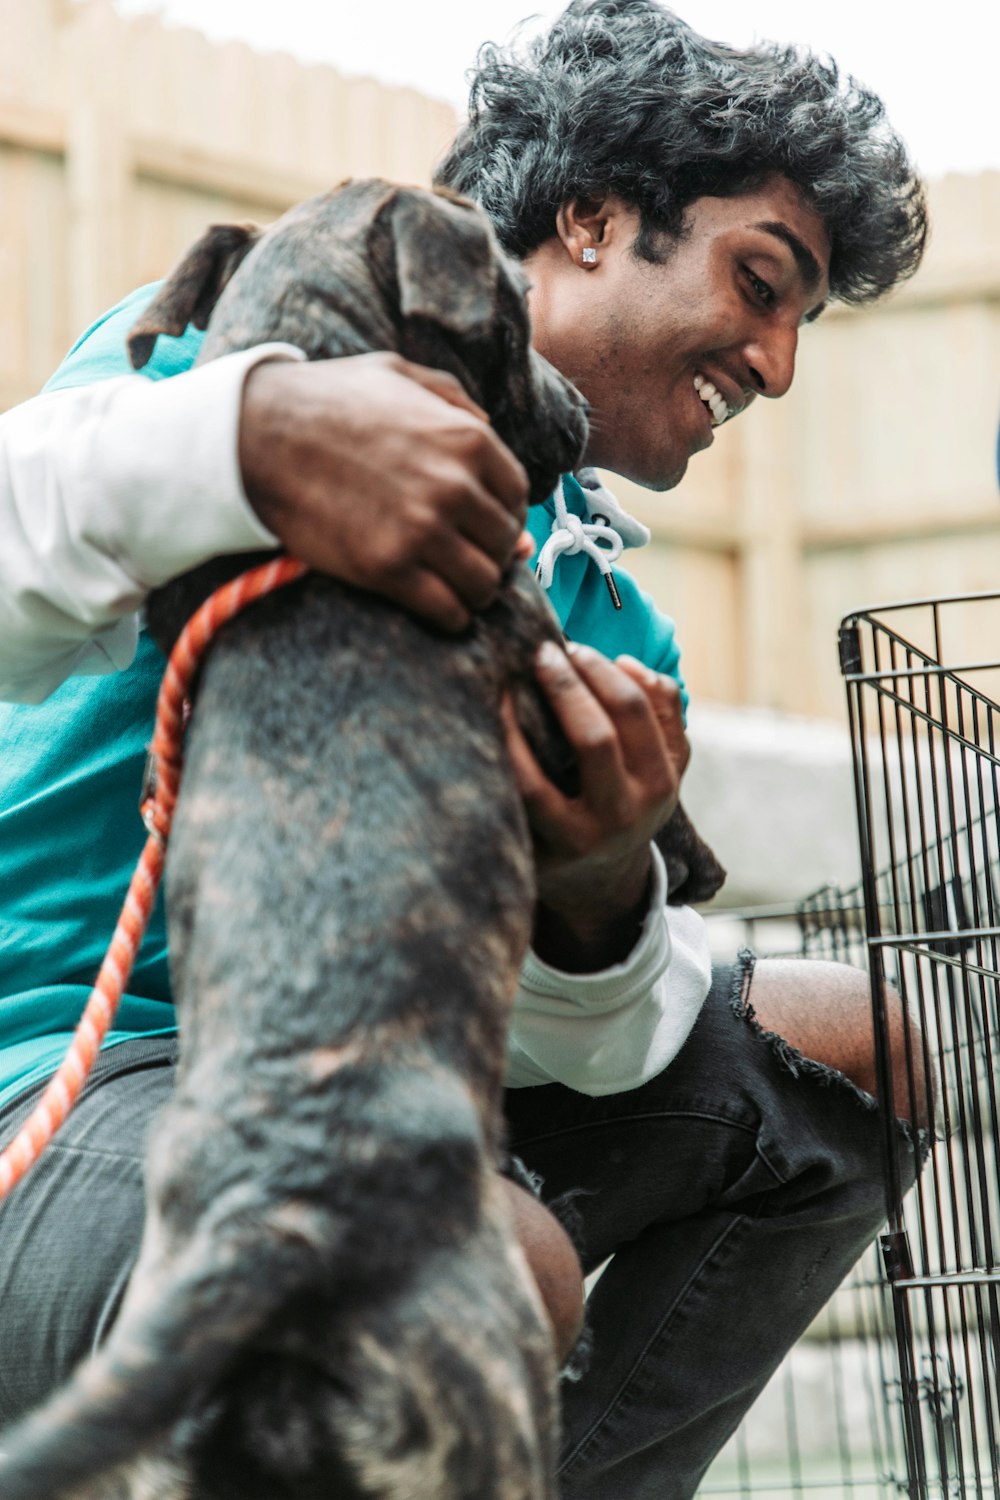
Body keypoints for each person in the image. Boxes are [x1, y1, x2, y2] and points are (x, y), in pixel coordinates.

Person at [0, 2, 928, 1494]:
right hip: (55, 1091)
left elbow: (598, 1048)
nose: (775, 366)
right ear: (591, 214)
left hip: (379, 1075)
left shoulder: (612, 630)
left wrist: (604, 891)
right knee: (476, 1261)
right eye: (762, 284)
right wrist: (248, 443)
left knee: (855, 1051)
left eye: (799, 324)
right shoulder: (269, 361)